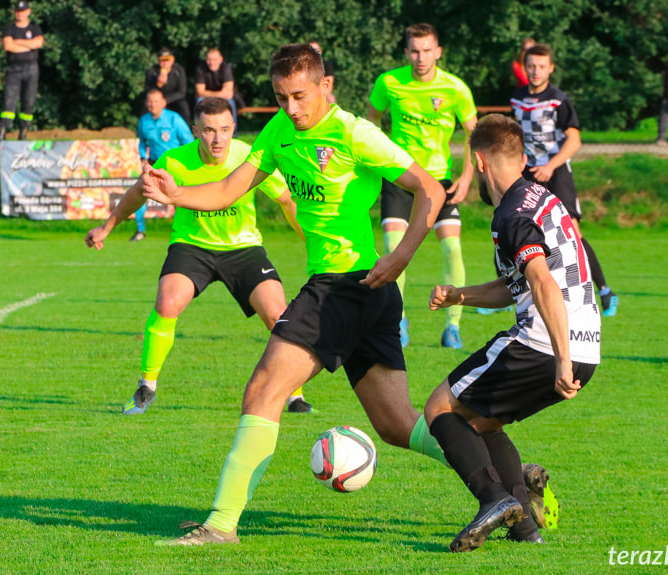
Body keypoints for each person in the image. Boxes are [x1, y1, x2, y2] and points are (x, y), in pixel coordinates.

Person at [141, 43, 448, 545]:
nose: (291, 109)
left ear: (326, 85)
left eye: (300, 96)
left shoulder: (354, 131)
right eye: (281, 97)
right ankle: (503, 478)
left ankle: (220, 525)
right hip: (360, 291)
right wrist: (176, 195)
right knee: (397, 425)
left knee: (264, 390)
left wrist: (403, 255)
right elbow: (227, 190)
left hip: (343, 286)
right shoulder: (281, 130)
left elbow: (430, 189)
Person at [424, 113, 600, 552]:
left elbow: (541, 281)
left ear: (479, 164)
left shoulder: (511, 213)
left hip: (545, 343)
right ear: (521, 159)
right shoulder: (542, 197)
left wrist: (559, 357)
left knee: (439, 409)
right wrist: (460, 296)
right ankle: (524, 527)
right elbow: (516, 284)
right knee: (483, 423)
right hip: (587, 349)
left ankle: (494, 499)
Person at [85, 97, 314, 414]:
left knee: (278, 314)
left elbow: (287, 201)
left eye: (224, 129)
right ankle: (146, 387)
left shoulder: (250, 156)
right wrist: (106, 227)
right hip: (192, 246)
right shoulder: (175, 161)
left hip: (243, 248)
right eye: (208, 130)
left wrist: (311, 240)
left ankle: (294, 395)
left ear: (233, 128)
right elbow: (139, 191)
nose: (217, 139)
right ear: (194, 131)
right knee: (167, 302)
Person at [368, 23, 478, 349]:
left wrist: (468, 175)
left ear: (438, 52)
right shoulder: (389, 83)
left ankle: (453, 327)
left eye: (427, 50)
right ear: (406, 53)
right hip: (400, 179)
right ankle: (398, 320)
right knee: (393, 249)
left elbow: (476, 133)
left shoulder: (455, 89)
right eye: (414, 51)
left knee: (452, 248)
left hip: (440, 183)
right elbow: (370, 122)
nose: (420, 57)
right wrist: (380, 160)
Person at [511, 43, 619, 317]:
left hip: (556, 172)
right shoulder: (517, 98)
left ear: (551, 69)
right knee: (514, 230)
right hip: (527, 173)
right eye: (531, 66)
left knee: (573, 233)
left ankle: (605, 290)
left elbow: (574, 140)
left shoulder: (558, 99)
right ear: (526, 67)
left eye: (541, 67)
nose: (536, 72)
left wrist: (551, 165)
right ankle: (511, 292)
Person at [133, 89, 194, 241]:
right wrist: (143, 157)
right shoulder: (144, 121)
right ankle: (140, 231)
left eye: (156, 101)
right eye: (150, 102)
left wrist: (184, 161)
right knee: (139, 192)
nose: (152, 105)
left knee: (182, 198)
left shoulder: (174, 119)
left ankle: (187, 230)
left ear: (163, 103)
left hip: (175, 165)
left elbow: (189, 142)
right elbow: (141, 142)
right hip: (154, 164)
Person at [0, 0, 43, 141]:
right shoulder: (9, 29)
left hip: (31, 68)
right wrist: (28, 46)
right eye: (17, 11)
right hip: (13, 69)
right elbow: (8, 47)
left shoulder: (35, 29)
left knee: (28, 101)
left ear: (28, 12)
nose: (20, 14)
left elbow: (38, 43)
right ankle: (2, 132)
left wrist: (18, 42)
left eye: (22, 11)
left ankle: (23, 132)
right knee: (9, 101)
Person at [145, 48, 191, 125]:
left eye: (167, 60)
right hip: (157, 98)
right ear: (158, 61)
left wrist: (166, 100)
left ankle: (185, 130)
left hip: (175, 98)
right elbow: (148, 91)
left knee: (184, 108)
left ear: (172, 60)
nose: (165, 63)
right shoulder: (152, 72)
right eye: (162, 60)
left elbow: (182, 92)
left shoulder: (179, 71)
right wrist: (159, 84)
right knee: (146, 106)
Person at [195, 48, 237, 126]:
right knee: (199, 101)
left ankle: (233, 130)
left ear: (221, 60)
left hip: (216, 97)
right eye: (209, 59)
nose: (211, 62)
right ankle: (200, 128)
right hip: (206, 98)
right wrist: (220, 94)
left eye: (214, 59)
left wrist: (206, 93)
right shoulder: (200, 68)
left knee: (230, 102)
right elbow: (200, 92)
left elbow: (229, 93)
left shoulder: (226, 68)